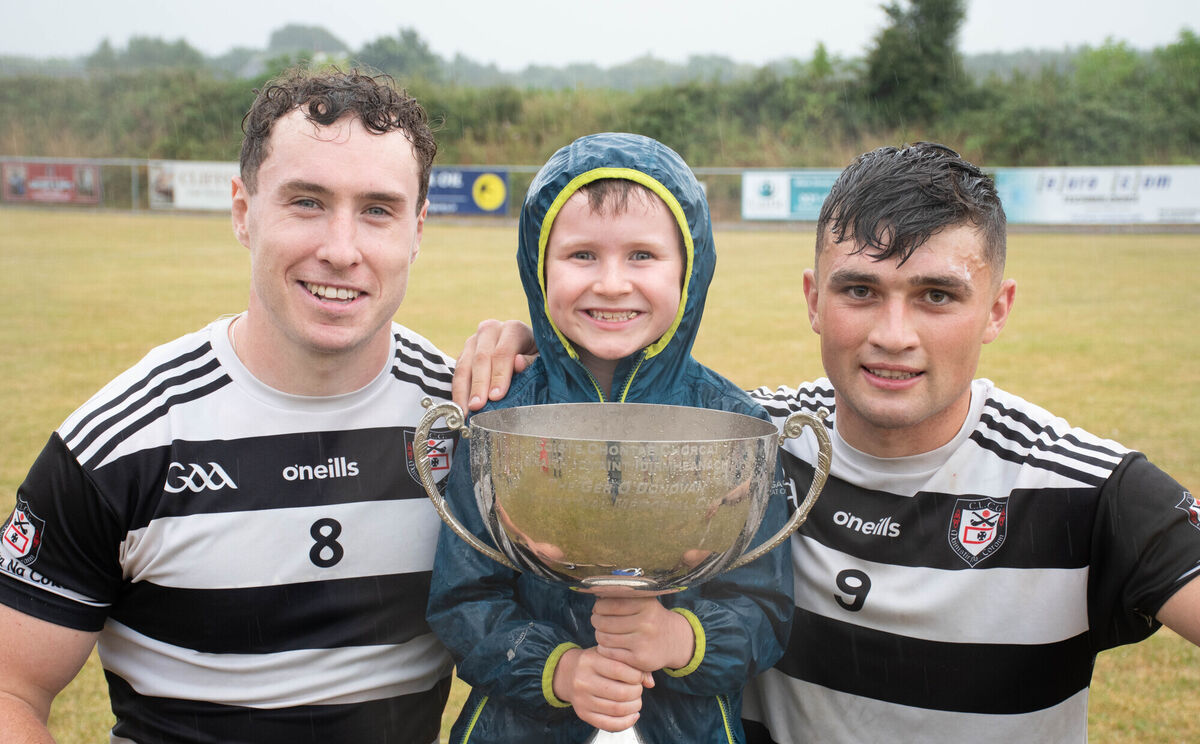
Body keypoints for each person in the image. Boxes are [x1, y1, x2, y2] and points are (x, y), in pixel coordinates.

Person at [450, 142, 1200, 743]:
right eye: (860, 291)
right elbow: (621, 406)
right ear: (814, 299)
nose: (893, 336)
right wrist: (530, 348)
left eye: (937, 296)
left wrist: (680, 636)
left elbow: (750, 614)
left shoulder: (1087, 487)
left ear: (997, 308)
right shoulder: (758, 436)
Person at [0, 68, 457, 743]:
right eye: (306, 202)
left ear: (417, 229)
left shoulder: (468, 423)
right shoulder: (120, 447)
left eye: (378, 210)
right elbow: (12, 687)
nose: (340, 249)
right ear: (244, 211)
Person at [426, 132, 793, 744]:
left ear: (691, 268)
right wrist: (559, 669)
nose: (613, 284)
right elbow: (463, 598)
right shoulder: (500, 417)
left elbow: (766, 607)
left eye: (643, 256)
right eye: (583, 256)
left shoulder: (733, 421)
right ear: (538, 266)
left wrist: (681, 640)